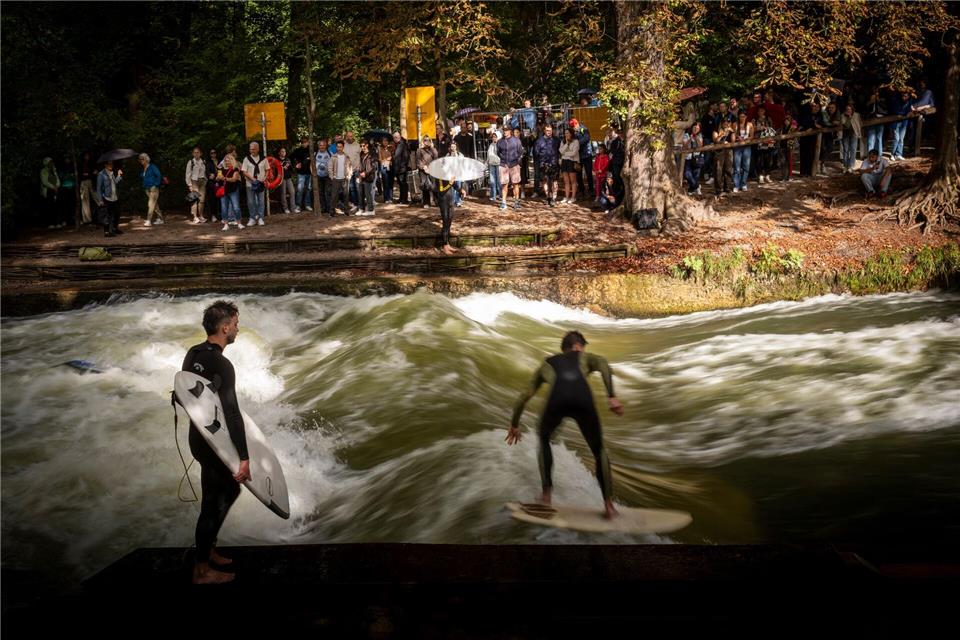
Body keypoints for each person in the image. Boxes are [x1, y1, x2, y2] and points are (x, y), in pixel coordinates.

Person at [506, 331, 624, 519]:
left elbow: (525, 396)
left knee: (544, 438)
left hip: (557, 401)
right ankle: (609, 506)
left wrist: (514, 424)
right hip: (582, 400)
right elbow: (603, 363)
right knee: (598, 450)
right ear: (579, 346)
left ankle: (546, 497)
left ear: (564, 348)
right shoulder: (585, 357)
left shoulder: (547, 363)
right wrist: (611, 396)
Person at [181, 300, 250, 585]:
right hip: (213, 443)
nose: (237, 328)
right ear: (224, 328)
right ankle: (202, 570)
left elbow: (185, 394)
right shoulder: (222, 363)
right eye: (235, 324)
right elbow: (232, 413)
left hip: (199, 437)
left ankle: (208, 549)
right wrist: (244, 456)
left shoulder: (193, 353)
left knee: (230, 490)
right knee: (212, 502)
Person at [241, 141, 268, 226]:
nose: (251, 151)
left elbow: (267, 169)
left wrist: (264, 178)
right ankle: (252, 218)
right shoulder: (246, 159)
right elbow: (244, 171)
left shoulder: (264, 159)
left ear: (258, 149)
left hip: (260, 183)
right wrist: (253, 179)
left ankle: (261, 218)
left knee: (261, 201)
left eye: (253, 149)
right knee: (251, 202)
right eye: (250, 149)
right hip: (250, 184)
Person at [497, 126, 524, 211]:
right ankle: (504, 202)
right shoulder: (500, 141)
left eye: (506, 130)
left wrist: (515, 160)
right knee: (504, 184)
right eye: (503, 130)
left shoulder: (516, 140)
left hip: (514, 164)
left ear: (510, 131)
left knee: (515, 184)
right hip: (503, 165)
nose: (505, 132)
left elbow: (520, 152)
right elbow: (498, 152)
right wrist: (503, 161)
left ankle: (516, 201)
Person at [534, 124, 561, 206]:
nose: (549, 132)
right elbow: (536, 153)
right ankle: (548, 197)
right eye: (547, 130)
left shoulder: (556, 140)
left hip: (554, 163)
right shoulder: (539, 141)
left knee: (554, 181)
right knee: (544, 181)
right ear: (544, 131)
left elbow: (560, 151)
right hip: (543, 164)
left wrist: (558, 160)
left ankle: (553, 198)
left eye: (550, 130)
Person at [95, 159, 122, 237]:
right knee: (106, 215)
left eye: (111, 164)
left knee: (117, 213)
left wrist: (119, 175)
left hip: (114, 197)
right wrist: (100, 200)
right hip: (106, 197)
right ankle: (106, 232)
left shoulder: (112, 173)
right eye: (109, 164)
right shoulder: (101, 174)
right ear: (105, 165)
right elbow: (98, 188)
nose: (111, 165)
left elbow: (115, 183)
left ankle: (114, 228)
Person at [138, 153, 164, 226]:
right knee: (154, 204)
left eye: (142, 159)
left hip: (153, 188)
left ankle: (149, 220)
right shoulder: (144, 168)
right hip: (146, 188)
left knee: (151, 204)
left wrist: (156, 184)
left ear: (146, 159)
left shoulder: (152, 166)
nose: (141, 161)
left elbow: (158, 175)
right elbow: (143, 177)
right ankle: (160, 219)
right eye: (140, 159)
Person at [753, 106, 777, 184]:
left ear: (764, 111)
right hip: (759, 142)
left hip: (768, 141)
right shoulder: (754, 120)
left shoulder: (768, 119)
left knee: (768, 159)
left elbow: (773, 128)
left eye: (762, 111)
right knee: (760, 160)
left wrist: (766, 128)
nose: (761, 112)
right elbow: (751, 129)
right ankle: (760, 176)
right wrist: (759, 128)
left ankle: (767, 175)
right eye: (759, 111)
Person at [712, 117, 735, 195]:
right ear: (721, 123)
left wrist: (732, 132)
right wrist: (722, 135)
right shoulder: (716, 130)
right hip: (719, 152)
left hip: (729, 151)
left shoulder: (731, 131)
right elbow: (715, 140)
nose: (726, 123)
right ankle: (718, 190)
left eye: (728, 122)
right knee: (718, 171)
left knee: (728, 170)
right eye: (724, 122)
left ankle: (727, 188)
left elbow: (733, 141)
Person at [185, 146, 208, 224]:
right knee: (195, 200)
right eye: (195, 152)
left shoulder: (203, 161)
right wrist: (189, 185)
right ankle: (195, 217)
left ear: (200, 153)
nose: (196, 154)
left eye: (198, 152)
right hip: (194, 181)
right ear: (193, 153)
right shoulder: (191, 162)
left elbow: (205, 173)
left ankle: (201, 216)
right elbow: (188, 174)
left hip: (202, 181)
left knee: (202, 200)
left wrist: (205, 180)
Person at [220, 155, 243, 230]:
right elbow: (217, 178)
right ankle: (226, 224)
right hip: (224, 191)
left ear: (232, 160)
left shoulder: (235, 169)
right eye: (225, 160)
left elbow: (234, 179)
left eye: (228, 160)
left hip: (233, 190)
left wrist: (224, 178)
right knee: (224, 208)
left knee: (236, 208)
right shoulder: (221, 169)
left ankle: (239, 223)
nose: (227, 162)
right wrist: (218, 177)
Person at [889, 90, 913, 161]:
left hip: (904, 122)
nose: (904, 97)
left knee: (901, 139)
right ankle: (892, 154)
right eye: (903, 96)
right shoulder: (896, 101)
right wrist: (906, 113)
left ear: (908, 96)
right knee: (896, 138)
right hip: (896, 122)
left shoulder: (909, 101)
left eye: (906, 96)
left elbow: (908, 110)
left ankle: (899, 154)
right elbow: (897, 112)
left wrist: (909, 112)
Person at [681, 122, 704, 195]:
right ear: (692, 128)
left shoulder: (700, 135)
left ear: (699, 129)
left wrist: (696, 138)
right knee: (687, 174)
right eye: (694, 128)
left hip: (697, 158)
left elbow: (700, 146)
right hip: (688, 158)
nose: (695, 129)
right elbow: (685, 146)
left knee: (696, 176)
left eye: (697, 128)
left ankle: (691, 190)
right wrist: (690, 139)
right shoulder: (686, 135)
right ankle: (697, 187)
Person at [559, 127, 580, 204]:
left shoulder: (576, 141)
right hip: (564, 162)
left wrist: (565, 153)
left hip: (572, 162)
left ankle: (573, 197)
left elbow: (574, 153)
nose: (566, 134)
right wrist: (567, 144)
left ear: (571, 134)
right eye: (565, 133)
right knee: (566, 181)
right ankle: (567, 197)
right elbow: (560, 151)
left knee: (573, 181)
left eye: (567, 133)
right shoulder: (563, 141)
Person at [290, 137, 312, 212]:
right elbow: (290, 157)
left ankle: (307, 204)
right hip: (301, 173)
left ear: (308, 142)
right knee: (300, 189)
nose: (304, 143)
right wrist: (296, 164)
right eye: (302, 142)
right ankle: (298, 205)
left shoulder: (311, 150)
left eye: (305, 142)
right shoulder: (297, 150)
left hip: (310, 173)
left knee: (309, 189)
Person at [416, 135, 438, 207]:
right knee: (425, 186)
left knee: (434, 186)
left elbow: (436, 159)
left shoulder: (433, 150)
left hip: (432, 170)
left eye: (428, 140)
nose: (427, 141)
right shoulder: (419, 150)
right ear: (423, 141)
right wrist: (423, 167)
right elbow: (418, 161)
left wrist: (432, 147)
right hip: (423, 171)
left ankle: (437, 201)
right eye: (425, 140)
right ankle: (426, 202)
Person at [839, 103, 862, 173]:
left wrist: (859, 132)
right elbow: (846, 125)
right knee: (846, 150)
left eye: (849, 109)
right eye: (847, 109)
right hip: (845, 134)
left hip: (854, 134)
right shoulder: (842, 116)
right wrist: (849, 117)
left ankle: (851, 166)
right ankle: (845, 166)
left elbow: (860, 124)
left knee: (853, 150)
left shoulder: (857, 115)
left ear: (852, 109)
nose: (848, 110)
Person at [357, 140, 379, 215]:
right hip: (361, 176)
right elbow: (361, 165)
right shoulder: (361, 154)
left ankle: (371, 210)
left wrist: (366, 173)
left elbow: (374, 167)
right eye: (361, 146)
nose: (362, 147)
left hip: (369, 176)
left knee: (368, 193)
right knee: (361, 193)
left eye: (363, 145)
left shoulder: (372, 154)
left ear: (367, 145)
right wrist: (359, 174)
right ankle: (361, 208)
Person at [437, 177, 457, 254]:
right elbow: (441, 190)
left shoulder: (449, 174)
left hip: (450, 200)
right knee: (445, 222)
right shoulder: (439, 176)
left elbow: (454, 184)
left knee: (449, 222)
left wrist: (460, 190)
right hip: (443, 201)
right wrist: (449, 184)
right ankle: (445, 246)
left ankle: (447, 244)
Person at [40, 156, 62, 229]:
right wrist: (53, 187)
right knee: (50, 206)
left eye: (52, 162)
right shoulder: (43, 171)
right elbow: (44, 181)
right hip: (48, 190)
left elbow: (58, 179)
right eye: (50, 162)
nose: (51, 163)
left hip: (56, 190)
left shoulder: (54, 170)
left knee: (57, 206)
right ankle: (51, 223)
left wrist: (57, 186)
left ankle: (58, 222)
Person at [342, 131, 361, 207]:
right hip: (348, 171)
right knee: (351, 188)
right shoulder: (343, 146)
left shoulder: (357, 145)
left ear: (353, 136)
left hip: (357, 169)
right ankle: (355, 204)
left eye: (351, 136)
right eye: (348, 136)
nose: (350, 138)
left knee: (358, 187)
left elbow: (361, 155)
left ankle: (360, 204)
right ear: (346, 137)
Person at [392, 132, 410, 204]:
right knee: (400, 184)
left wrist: (402, 167)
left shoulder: (402, 144)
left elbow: (405, 157)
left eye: (395, 137)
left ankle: (404, 199)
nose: (394, 139)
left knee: (403, 184)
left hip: (402, 168)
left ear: (398, 137)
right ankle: (401, 198)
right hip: (398, 168)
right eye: (393, 138)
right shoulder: (397, 144)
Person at [79, 151, 97, 225]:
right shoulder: (80, 164)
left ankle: (100, 216)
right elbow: (81, 175)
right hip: (83, 182)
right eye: (85, 155)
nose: (87, 157)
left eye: (88, 155)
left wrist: (90, 174)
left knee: (96, 198)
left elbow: (94, 172)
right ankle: (87, 220)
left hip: (92, 182)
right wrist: (90, 174)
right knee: (85, 200)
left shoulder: (91, 163)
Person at [314, 140, 332, 215]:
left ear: (326, 146)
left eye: (323, 145)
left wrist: (332, 174)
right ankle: (323, 208)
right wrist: (313, 174)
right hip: (318, 176)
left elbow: (333, 163)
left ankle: (329, 208)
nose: (322, 147)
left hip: (327, 176)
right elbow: (312, 165)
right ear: (318, 146)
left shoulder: (330, 153)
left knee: (328, 192)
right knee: (320, 193)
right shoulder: (315, 154)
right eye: (320, 145)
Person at [276, 147, 295, 214]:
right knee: (283, 193)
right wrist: (282, 168)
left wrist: (289, 167)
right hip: (281, 178)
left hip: (288, 178)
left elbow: (292, 169)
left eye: (284, 151)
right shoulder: (277, 160)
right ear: (279, 153)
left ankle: (293, 208)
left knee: (292, 192)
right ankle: (285, 208)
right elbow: (276, 170)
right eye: (282, 151)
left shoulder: (288, 159)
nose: (283, 153)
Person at [486, 130, 501, 203]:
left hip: (499, 164)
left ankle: (501, 195)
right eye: (493, 137)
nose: (494, 138)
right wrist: (487, 162)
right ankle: (493, 195)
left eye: (495, 137)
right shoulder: (491, 145)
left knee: (499, 180)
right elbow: (488, 155)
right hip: (492, 164)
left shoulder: (501, 144)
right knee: (492, 181)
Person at [206, 149, 221, 222]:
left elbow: (222, 170)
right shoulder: (208, 162)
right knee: (212, 200)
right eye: (211, 153)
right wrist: (215, 176)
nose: (213, 154)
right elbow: (208, 174)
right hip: (212, 184)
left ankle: (220, 215)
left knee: (221, 199)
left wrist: (215, 175)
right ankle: (213, 215)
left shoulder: (220, 161)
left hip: (220, 182)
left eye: (214, 152)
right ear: (210, 154)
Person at [378, 138, 393, 203]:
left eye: (386, 140)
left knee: (390, 182)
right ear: (382, 142)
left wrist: (390, 158)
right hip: (384, 167)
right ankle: (386, 198)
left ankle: (390, 198)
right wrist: (386, 159)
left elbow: (393, 156)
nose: (385, 142)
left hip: (391, 166)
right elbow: (379, 159)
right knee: (385, 182)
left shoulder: (391, 148)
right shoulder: (380, 149)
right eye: (384, 141)